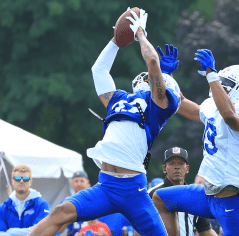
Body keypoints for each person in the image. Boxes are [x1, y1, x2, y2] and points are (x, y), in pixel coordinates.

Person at [28, 7, 181, 236]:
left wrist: (140, 33)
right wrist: (115, 41)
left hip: (133, 189)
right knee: (60, 212)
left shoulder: (156, 110)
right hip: (106, 185)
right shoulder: (120, 98)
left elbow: (152, 62)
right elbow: (98, 70)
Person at [153, 47, 239, 235]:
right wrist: (164, 76)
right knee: (160, 198)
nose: (220, 85)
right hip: (207, 195)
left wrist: (212, 75)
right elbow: (181, 104)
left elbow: (230, 117)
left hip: (233, 200)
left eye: (226, 83)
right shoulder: (213, 107)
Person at [147, 147, 216, 236]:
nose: (177, 167)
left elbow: (205, 230)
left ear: (187, 169)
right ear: (164, 168)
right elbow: (140, 227)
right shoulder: (152, 194)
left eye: (181, 163)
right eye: (172, 164)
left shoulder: (194, 195)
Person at [0, 164, 53, 236]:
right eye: (17, 178)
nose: (21, 181)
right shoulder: (2, 208)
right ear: (12, 181)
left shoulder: (41, 204)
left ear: (30, 182)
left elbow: (40, 230)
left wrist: (11, 232)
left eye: (25, 179)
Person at [59, 171, 91, 236]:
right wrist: (67, 217)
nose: (79, 184)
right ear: (72, 183)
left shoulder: (94, 200)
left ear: (87, 182)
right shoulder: (66, 202)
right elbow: (59, 230)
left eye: (82, 181)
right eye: (76, 181)